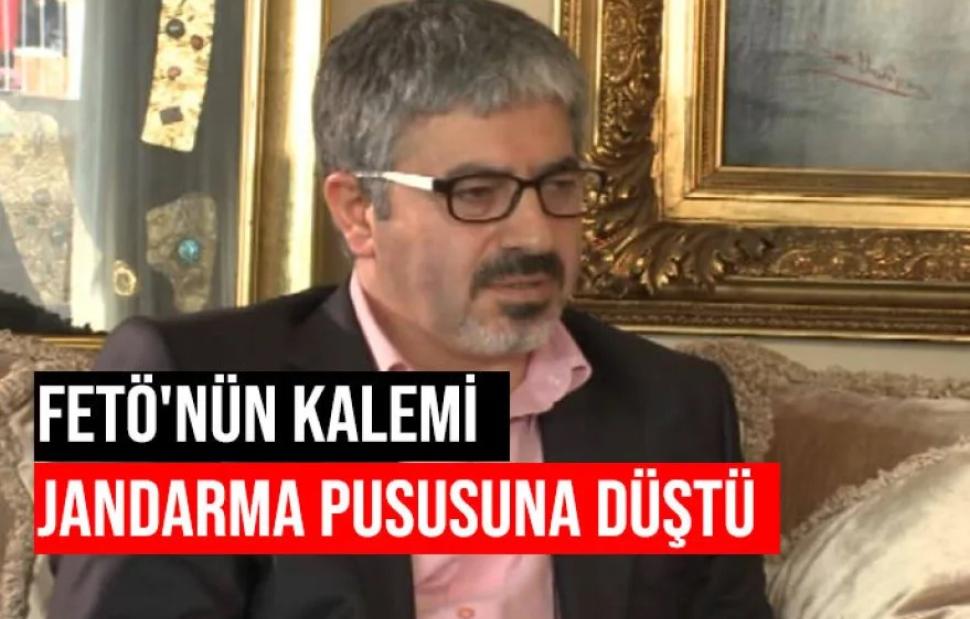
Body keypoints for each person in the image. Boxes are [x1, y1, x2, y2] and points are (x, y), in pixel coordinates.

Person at [49, 0, 773, 617]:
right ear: (358, 211)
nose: (534, 234)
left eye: (558, 187)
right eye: (477, 194)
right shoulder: (180, 384)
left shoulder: (676, 405)